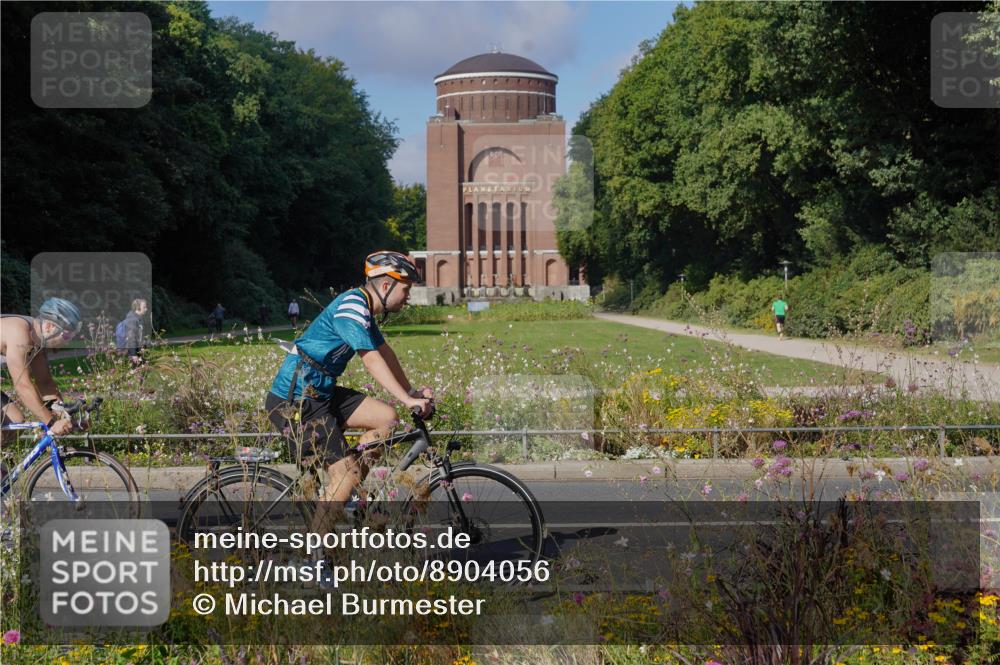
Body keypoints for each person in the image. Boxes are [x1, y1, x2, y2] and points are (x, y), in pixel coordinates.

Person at [265, 251, 433, 533]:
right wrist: (407, 399)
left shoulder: (364, 309)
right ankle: (312, 558)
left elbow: (385, 353)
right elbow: (371, 358)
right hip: (296, 402)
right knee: (347, 474)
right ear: (385, 285)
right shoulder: (351, 308)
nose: (409, 296)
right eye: (406, 289)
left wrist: (412, 392)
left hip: (321, 394)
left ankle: (347, 495)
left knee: (387, 418)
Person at [1, 298, 83, 443]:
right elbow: (22, 385)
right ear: (49, 326)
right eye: (66, 335)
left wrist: (66, 418)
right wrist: (51, 423)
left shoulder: (38, 342)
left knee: (15, 423)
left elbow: (45, 384)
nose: (68, 341)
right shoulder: (20, 334)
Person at [121, 298, 148, 363]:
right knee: (134, 370)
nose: (146, 309)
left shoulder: (139, 318)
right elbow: (131, 337)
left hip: (138, 348)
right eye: (144, 307)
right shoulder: (132, 320)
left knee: (143, 367)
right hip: (132, 350)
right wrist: (133, 354)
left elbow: (141, 335)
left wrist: (143, 347)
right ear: (138, 308)